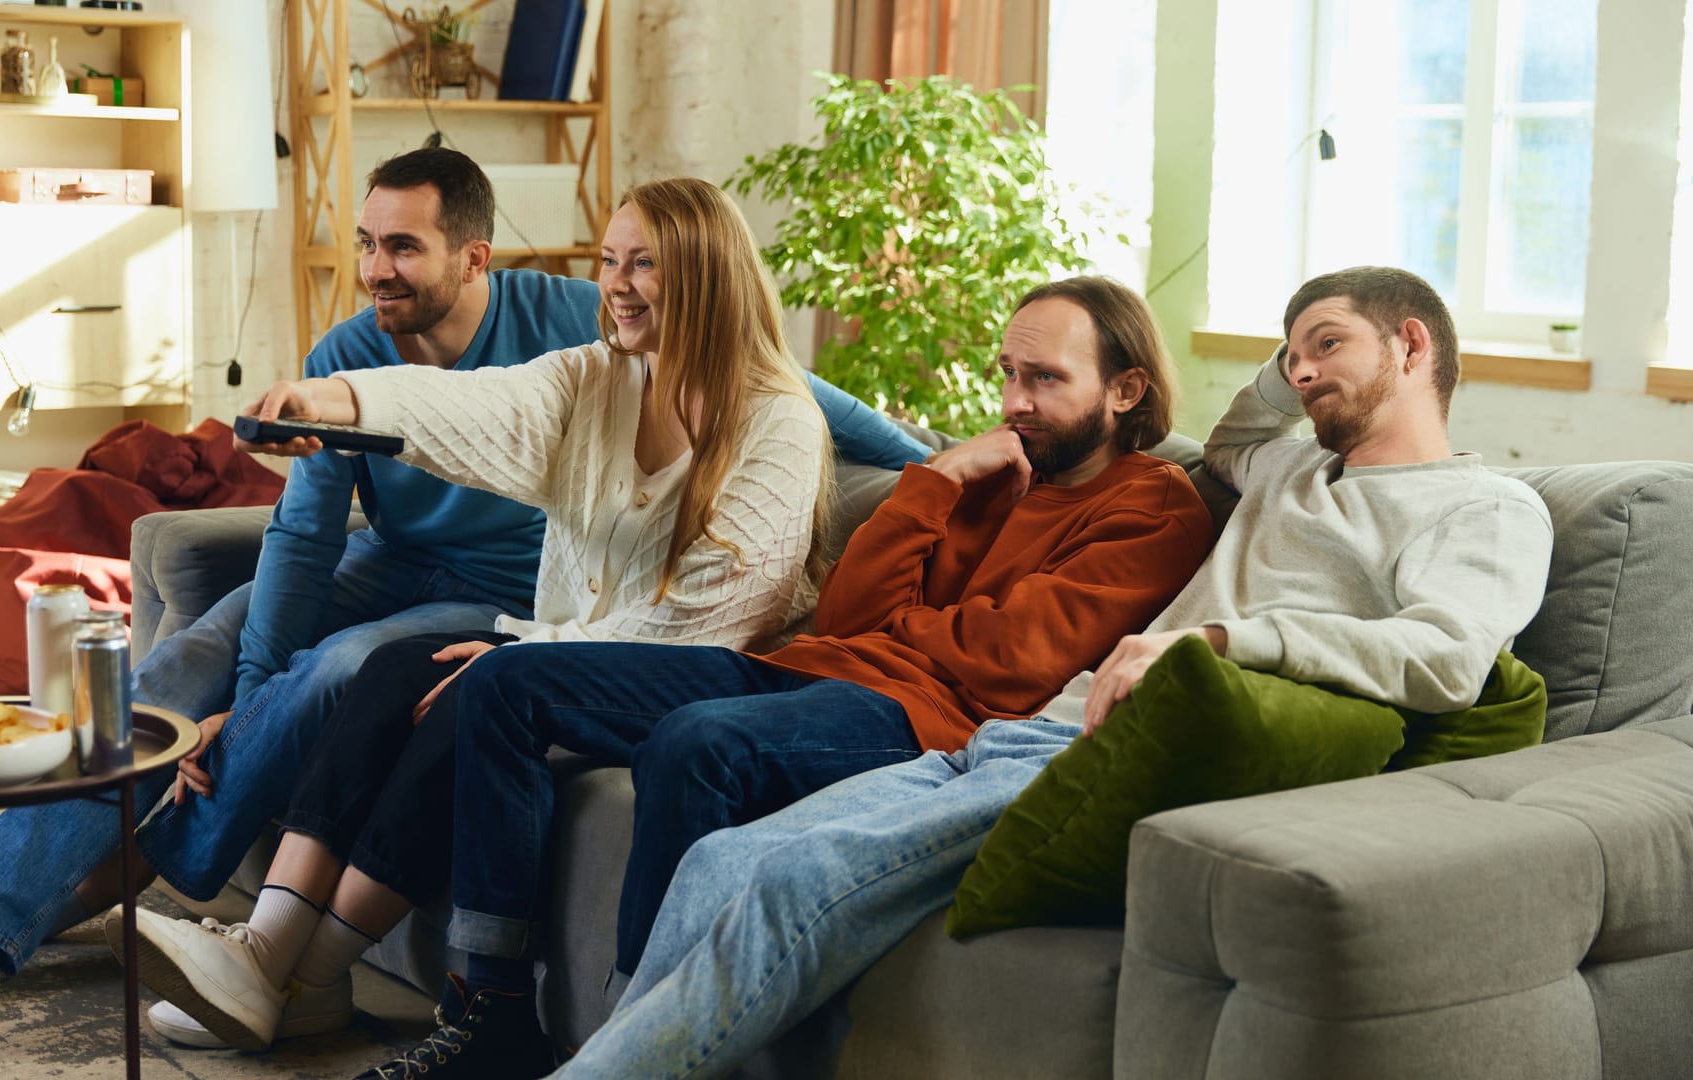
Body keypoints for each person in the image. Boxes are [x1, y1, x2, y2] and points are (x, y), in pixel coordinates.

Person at [0, 153, 929, 996]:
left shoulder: (569, 327)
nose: (377, 271)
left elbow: (773, 383)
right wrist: (232, 695)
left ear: (473, 256)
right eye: (366, 244)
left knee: (348, 667)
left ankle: (190, 878)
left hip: (495, 590)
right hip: (387, 562)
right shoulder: (365, 346)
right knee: (194, 655)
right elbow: (306, 533)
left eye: (404, 248)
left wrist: (936, 456)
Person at [548, 266, 1557, 1080]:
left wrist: (1224, 642)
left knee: (794, 882)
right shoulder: (1288, 468)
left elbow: (1448, 657)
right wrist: (1306, 344)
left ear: (1415, 343)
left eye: (1328, 345)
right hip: (1026, 732)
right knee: (726, 864)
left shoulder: (1487, 510)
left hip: (1110, 751)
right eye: (1289, 355)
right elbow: (1238, 431)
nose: (1298, 374)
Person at [340, 275, 1218, 1080]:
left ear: (1126, 390)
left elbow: (1014, 659)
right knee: (509, 683)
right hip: (809, 669)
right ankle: (488, 1011)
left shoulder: (1155, 504)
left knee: (700, 743)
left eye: (1046, 380)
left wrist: (909, 627)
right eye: (1008, 373)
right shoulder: (987, 478)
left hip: (922, 719)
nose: (1015, 402)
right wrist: (940, 474)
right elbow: (845, 614)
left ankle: (632, 1035)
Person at [114, 175, 857, 1054]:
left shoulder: (778, 419)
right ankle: (271, 951)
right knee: (399, 666)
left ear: (704, 272)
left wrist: (526, 648)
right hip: (575, 660)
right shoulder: (596, 380)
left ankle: (299, 973)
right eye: (609, 261)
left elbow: (709, 624)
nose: (615, 284)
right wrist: (331, 405)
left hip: (702, 676)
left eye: (643, 264)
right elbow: (474, 406)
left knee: (478, 684)